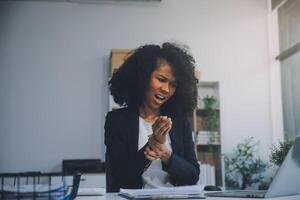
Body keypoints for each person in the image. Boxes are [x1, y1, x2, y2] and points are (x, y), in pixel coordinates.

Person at [104, 42, 199, 192]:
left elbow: (193, 175)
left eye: (173, 84)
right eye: (161, 79)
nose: (167, 89)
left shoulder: (180, 122)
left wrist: (166, 154)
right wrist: (152, 144)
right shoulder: (117, 121)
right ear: (143, 77)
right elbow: (120, 177)